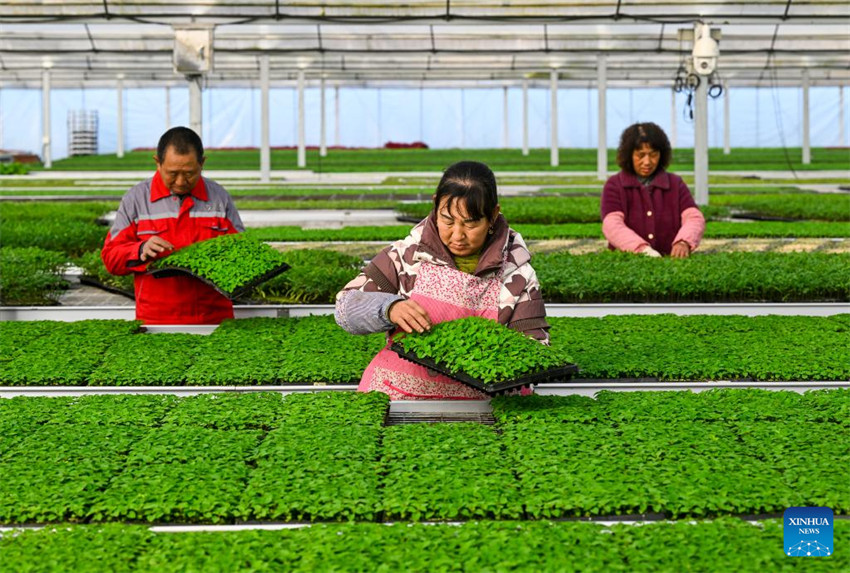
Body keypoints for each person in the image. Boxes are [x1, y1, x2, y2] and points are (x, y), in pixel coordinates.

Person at [335, 161, 549, 400]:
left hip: (485, 409)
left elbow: (535, 347)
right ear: (435, 206)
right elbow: (346, 306)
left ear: (493, 215)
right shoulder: (406, 256)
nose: (458, 235)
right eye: (447, 221)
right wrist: (389, 308)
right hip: (398, 397)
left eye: (471, 224)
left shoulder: (517, 274)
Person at [101, 127, 244, 324]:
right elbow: (111, 257)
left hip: (214, 317)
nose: (180, 181)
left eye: (189, 173)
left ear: (202, 163)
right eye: (172, 173)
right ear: (157, 163)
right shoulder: (136, 200)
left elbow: (243, 251)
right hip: (157, 319)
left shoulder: (219, 197)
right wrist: (140, 249)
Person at [601, 122, 705, 257]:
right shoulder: (615, 185)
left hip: (671, 262)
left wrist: (683, 241)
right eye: (640, 155)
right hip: (629, 262)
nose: (647, 162)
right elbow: (612, 225)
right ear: (629, 155)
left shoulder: (675, 183)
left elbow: (693, 217)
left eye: (653, 154)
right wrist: (641, 249)